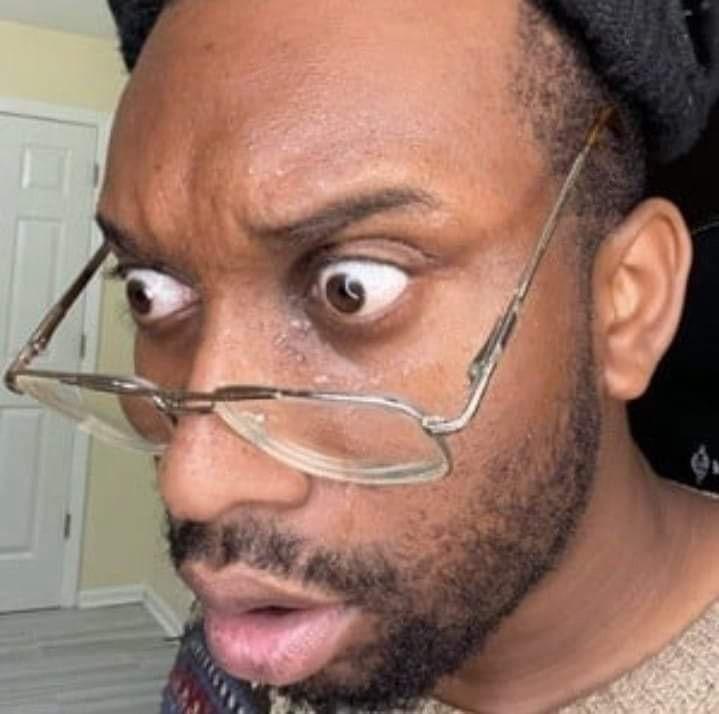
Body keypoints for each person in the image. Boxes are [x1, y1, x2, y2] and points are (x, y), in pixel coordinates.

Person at [5, 0, 718, 711]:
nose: (193, 481)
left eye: (351, 290)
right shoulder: (265, 618)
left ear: (627, 303)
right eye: (150, 291)